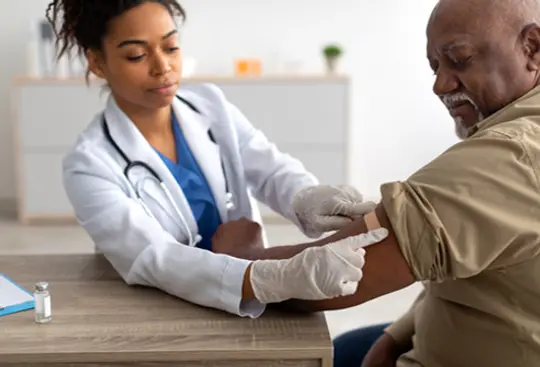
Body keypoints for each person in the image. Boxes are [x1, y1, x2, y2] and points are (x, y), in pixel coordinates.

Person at [220, 0, 540, 365]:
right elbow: (485, 264)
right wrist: (397, 335)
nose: (440, 84)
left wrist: (238, 255)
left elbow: (317, 282)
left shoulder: (512, 155)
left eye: (460, 58)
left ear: (532, 48)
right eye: (435, 66)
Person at [46, 0, 383, 318]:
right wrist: (272, 277)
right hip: (162, 308)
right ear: (97, 62)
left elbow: (269, 169)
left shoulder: (209, 105)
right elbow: (153, 258)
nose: (163, 66)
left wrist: (307, 198)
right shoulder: (88, 165)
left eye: (171, 46)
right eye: (136, 55)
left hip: (245, 281)